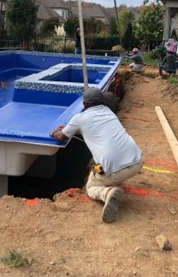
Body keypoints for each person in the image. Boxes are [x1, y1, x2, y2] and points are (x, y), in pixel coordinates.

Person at [49, 87, 143, 223]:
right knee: (105, 163)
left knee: (90, 187)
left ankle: (107, 193)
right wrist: (70, 128)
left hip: (116, 170)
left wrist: (53, 132)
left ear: (84, 104)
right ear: (102, 102)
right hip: (137, 162)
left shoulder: (79, 118)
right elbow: (93, 128)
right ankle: (115, 181)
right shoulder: (109, 112)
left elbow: (60, 137)